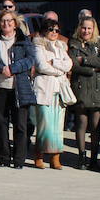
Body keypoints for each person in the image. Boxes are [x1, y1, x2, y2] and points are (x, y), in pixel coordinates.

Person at [0, 10, 35, 168]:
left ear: (15, 23)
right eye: (3, 21)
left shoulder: (23, 40)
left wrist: (13, 68)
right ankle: (4, 157)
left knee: (20, 125)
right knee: (1, 123)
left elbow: (30, 60)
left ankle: (19, 160)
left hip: (19, 87)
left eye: (9, 21)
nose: (6, 24)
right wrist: (1, 68)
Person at [67, 15, 100, 169]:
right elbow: (73, 65)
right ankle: (82, 157)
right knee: (81, 124)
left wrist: (84, 60)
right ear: (79, 28)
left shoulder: (99, 43)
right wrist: (92, 68)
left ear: (94, 29)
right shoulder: (74, 43)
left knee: (95, 127)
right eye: (84, 27)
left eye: (89, 28)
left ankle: (94, 160)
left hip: (97, 91)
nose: (86, 31)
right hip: (81, 88)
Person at [31, 18, 72, 169]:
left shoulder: (61, 47)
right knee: (45, 125)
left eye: (56, 30)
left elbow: (69, 64)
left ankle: (56, 157)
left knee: (57, 126)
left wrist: (54, 63)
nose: (54, 33)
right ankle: (39, 155)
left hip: (59, 90)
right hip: (44, 89)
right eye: (51, 30)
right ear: (44, 31)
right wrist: (59, 70)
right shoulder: (38, 46)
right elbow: (41, 66)